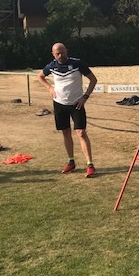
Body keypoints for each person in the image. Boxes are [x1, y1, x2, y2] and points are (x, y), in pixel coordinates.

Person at [37, 42, 98, 178]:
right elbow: (40, 76)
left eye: (62, 52)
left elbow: (93, 80)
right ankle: (71, 161)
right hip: (59, 103)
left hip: (77, 104)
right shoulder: (51, 66)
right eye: (57, 53)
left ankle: (90, 164)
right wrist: (50, 88)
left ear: (66, 51)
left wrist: (85, 97)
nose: (60, 55)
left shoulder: (77, 63)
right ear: (53, 54)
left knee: (81, 133)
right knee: (65, 132)